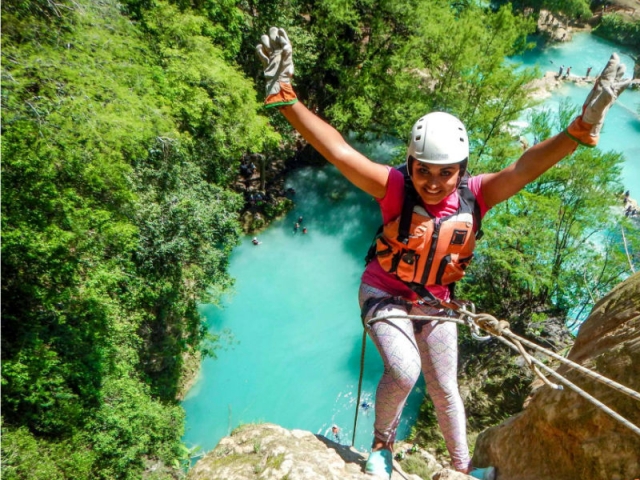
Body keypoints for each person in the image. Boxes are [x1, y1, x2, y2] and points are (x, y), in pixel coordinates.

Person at [256, 27, 630, 480]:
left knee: (447, 389)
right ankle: (381, 447)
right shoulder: (395, 190)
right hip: (384, 293)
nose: (433, 183)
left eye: (446, 173)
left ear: (463, 170)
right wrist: (286, 98)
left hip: (436, 301)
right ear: (409, 166)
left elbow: (527, 166)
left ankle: (459, 470)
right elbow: (339, 151)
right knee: (405, 368)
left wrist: (580, 128)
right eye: (424, 171)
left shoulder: (478, 195)